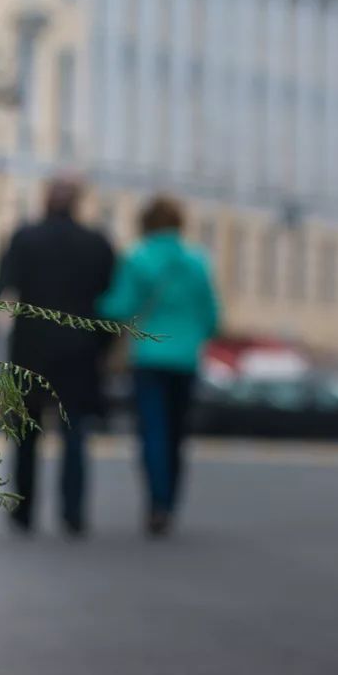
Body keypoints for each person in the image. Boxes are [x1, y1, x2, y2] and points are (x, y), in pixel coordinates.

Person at [0, 177, 116, 535]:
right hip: (80, 350)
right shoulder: (96, 243)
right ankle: (73, 513)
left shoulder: (25, 238)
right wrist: (105, 346)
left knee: (25, 432)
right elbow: (112, 302)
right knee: (75, 434)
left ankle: (23, 511)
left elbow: (1, 287)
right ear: (77, 202)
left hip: (30, 349)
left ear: (45, 200)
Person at [98, 195, 220, 536]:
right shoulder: (197, 262)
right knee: (177, 434)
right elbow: (212, 316)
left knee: (152, 431)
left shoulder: (138, 259)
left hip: (150, 356)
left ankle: (156, 501)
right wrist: (194, 335)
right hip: (186, 358)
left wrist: (93, 305)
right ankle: (169, 502)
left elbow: (119, 307)